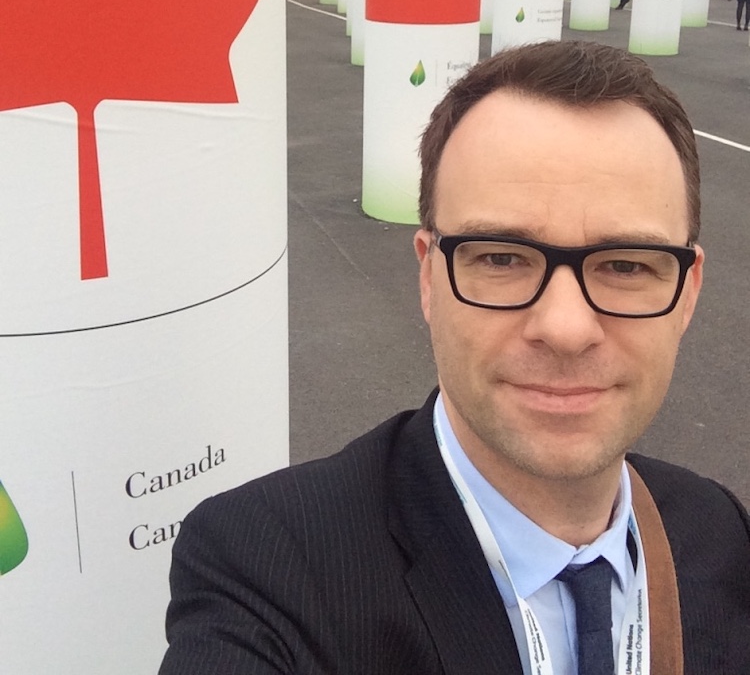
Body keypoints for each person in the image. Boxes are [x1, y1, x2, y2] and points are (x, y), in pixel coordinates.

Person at [159, 41, 750, 675]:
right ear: (428, 279)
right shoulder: (267, 567)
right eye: (500, 258)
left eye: (627, 265)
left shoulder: (722, 532)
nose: (566, 328)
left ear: (687, 293)